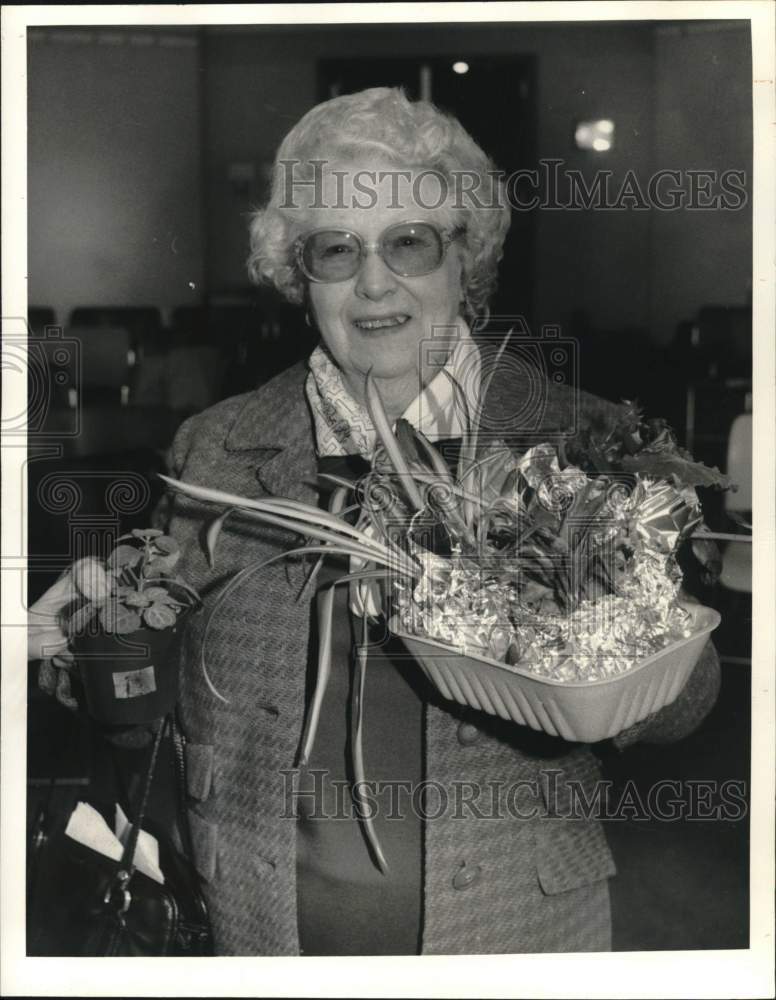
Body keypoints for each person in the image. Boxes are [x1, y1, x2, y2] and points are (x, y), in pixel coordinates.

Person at [30, 87, 720, 956]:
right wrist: (85, 641)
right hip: (255, 930)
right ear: (296, 273)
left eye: (409, 242)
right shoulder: (219, 448)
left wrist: (603, 635)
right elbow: (137, 697)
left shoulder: (575, 440)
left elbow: (688, 701)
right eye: (335, 250)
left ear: (464, 258)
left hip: (518, 934)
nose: (374, 283)